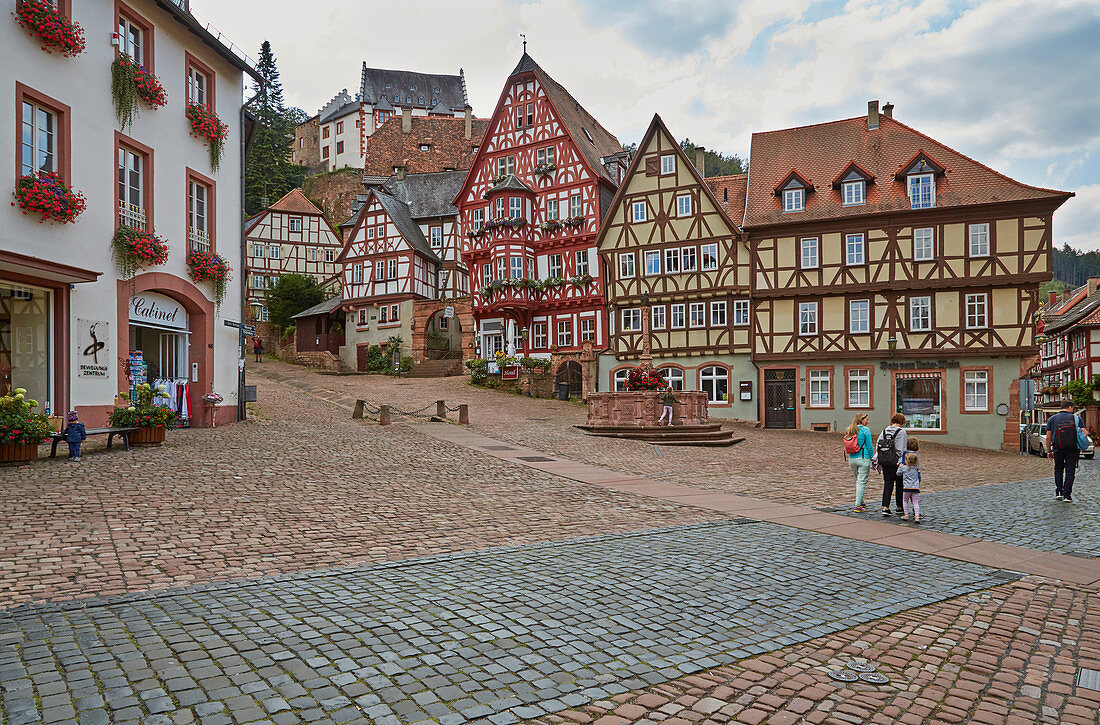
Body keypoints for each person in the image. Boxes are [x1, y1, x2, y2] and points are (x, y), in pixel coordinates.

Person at [873, 412, 908, 516]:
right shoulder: (901, 432)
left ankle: (885, 507)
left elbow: (878, 445)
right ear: (901, 422)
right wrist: (902, 461)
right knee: (899, 485)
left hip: (885, 461)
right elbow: (902, 449)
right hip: (897, 462)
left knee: (887, 484)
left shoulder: (884, 431)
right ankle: (899, 506)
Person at [1046, 400, 1080, 502]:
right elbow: (1084, 433)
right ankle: (1067, 495)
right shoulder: (1076, 418)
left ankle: (1059, 492)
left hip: (1058, 448)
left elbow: (1048, 437)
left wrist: (1049, 450)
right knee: (1070, 471)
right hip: (1072, 449)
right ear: (1070, 407)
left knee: (1058, 469)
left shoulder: (1052, 419)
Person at [844, 413, 874, 512]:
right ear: (861, 420)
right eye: (866, 420)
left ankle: (861, 501)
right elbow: (869, 446)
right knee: (861, 482)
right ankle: (857, 506)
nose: (868, 421)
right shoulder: (865, 430)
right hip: (863, 458)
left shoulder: (851, 429)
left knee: (858, 481)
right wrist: (872, 458)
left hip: (852, 458)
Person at [897, 451, 922, 522]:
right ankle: (917, 516)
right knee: (915, 502)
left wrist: (899, 467)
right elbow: (919, 476)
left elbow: (898, 474)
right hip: (915, 488)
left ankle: (906, 515)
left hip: (906, 488)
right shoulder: (917, 469)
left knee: (905, 501)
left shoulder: (904, 468)